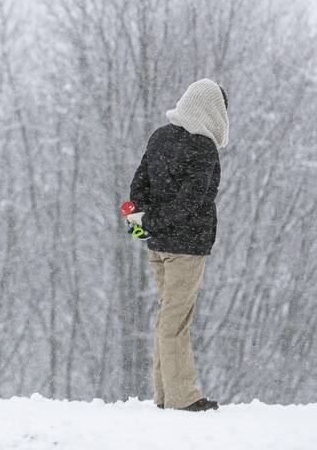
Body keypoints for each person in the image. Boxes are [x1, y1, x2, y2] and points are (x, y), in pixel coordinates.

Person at [124, 77, 228, 412]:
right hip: (188, 248)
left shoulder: (159, 136)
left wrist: (142, 230)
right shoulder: (203, 148)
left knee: (167, 318)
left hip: (158, 246)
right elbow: (195, 200)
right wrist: (157, 226)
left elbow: (137, 187)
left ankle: (164, 395)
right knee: (176, 322)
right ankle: (183, 397)